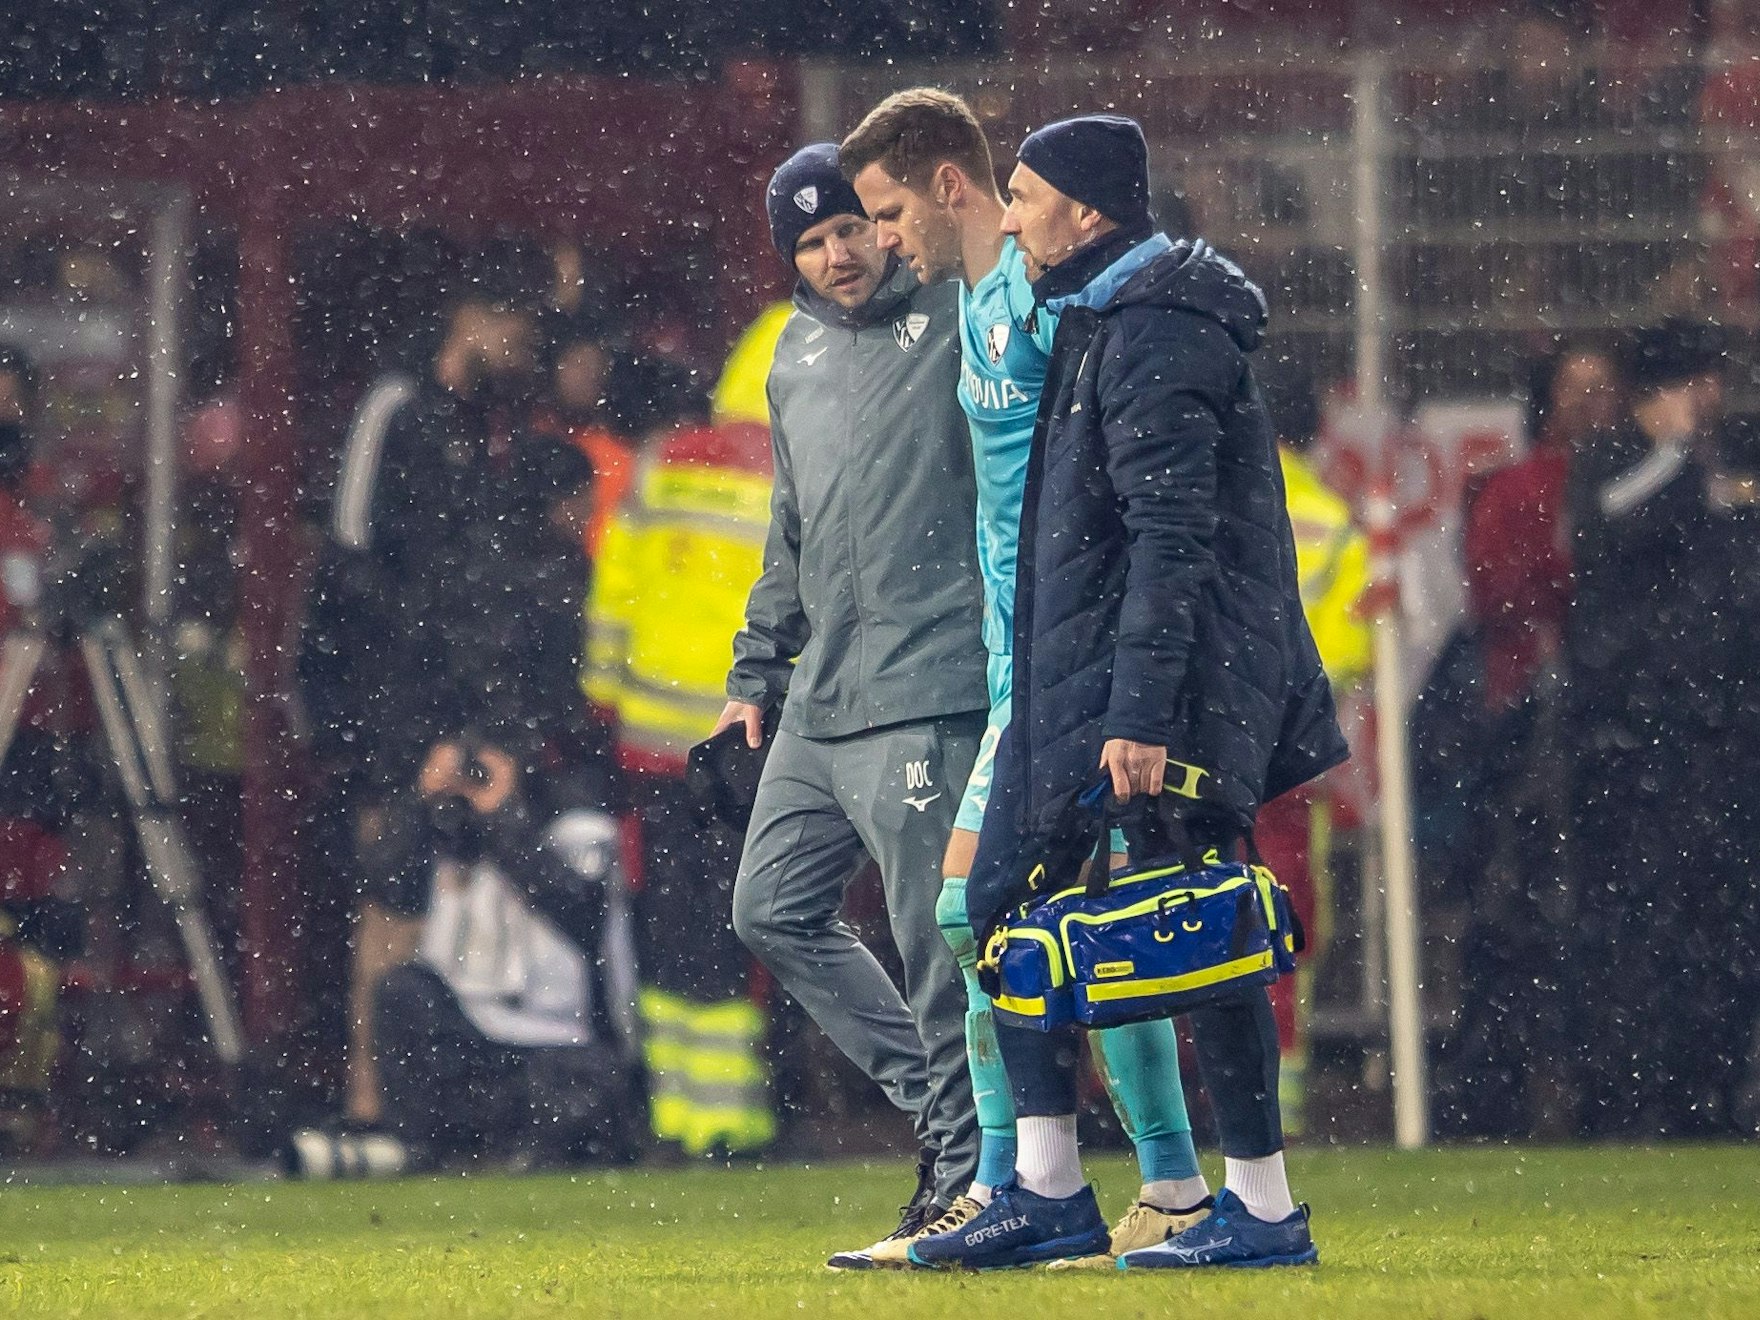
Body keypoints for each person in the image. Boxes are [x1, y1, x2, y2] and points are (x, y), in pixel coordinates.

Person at [908, 115, 1346, 1270]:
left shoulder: (1157, 329)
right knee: (1004, 901)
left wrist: (1140, 713)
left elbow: (1169, 537)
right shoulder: (1108, 317)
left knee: (1199, 924)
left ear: (1087, 211)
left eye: (1023, 196)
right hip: (1086, 678)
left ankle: (1249, 1205)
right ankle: (1053, 1190)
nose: (1009, 219)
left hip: (1156, 692)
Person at [841, 86, 1215, 1269]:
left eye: (888, 213)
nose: (879, 240)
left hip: (1072, 663)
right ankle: (1103, 1187)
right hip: (1021, 660)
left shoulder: (1044, 305)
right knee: (1039, 926)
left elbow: (1118, 472)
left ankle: (1055, 1184)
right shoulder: (970, 306)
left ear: (947, 186)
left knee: (996, 916)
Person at [718, 143, 986, 1262]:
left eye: (849, 229)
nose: (836, 254)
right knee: (769, 908)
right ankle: (955, 1122)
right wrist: (755, 669)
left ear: (886, 222)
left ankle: (972, 1177)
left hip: (928, 682)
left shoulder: (960, 315)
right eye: (810, 242)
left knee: (935, 942)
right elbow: (790, 528)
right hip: (821, 695)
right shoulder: (793, 354)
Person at [582, 356, 775, 1157]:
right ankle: (732, 1116)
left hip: (651, 743)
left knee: (668, 921)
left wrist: (605, 693)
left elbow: (613, 594)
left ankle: (674, 1113)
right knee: (740, 922)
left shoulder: (655, 466)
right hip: (740, 740)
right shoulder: (787, 480)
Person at [1567, 320, 1740, 1136]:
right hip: (1628, 739)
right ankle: (1631, 1094)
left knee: (1716, 920)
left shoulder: (1718, 462)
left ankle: (1711, 1086)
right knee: (1634, 919)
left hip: (1712, 733)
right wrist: (1673, 454)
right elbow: (1607, 523)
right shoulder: (1612, 460)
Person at [1256, 357, 1371, 1134]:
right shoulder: (1332, 519)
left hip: (1200, 743)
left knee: (1173, 900)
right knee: (1286, 910)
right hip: (1291, 747)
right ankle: (1279, 1088)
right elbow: (1353, 649)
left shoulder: (1209, 502)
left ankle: (1166, 1093)